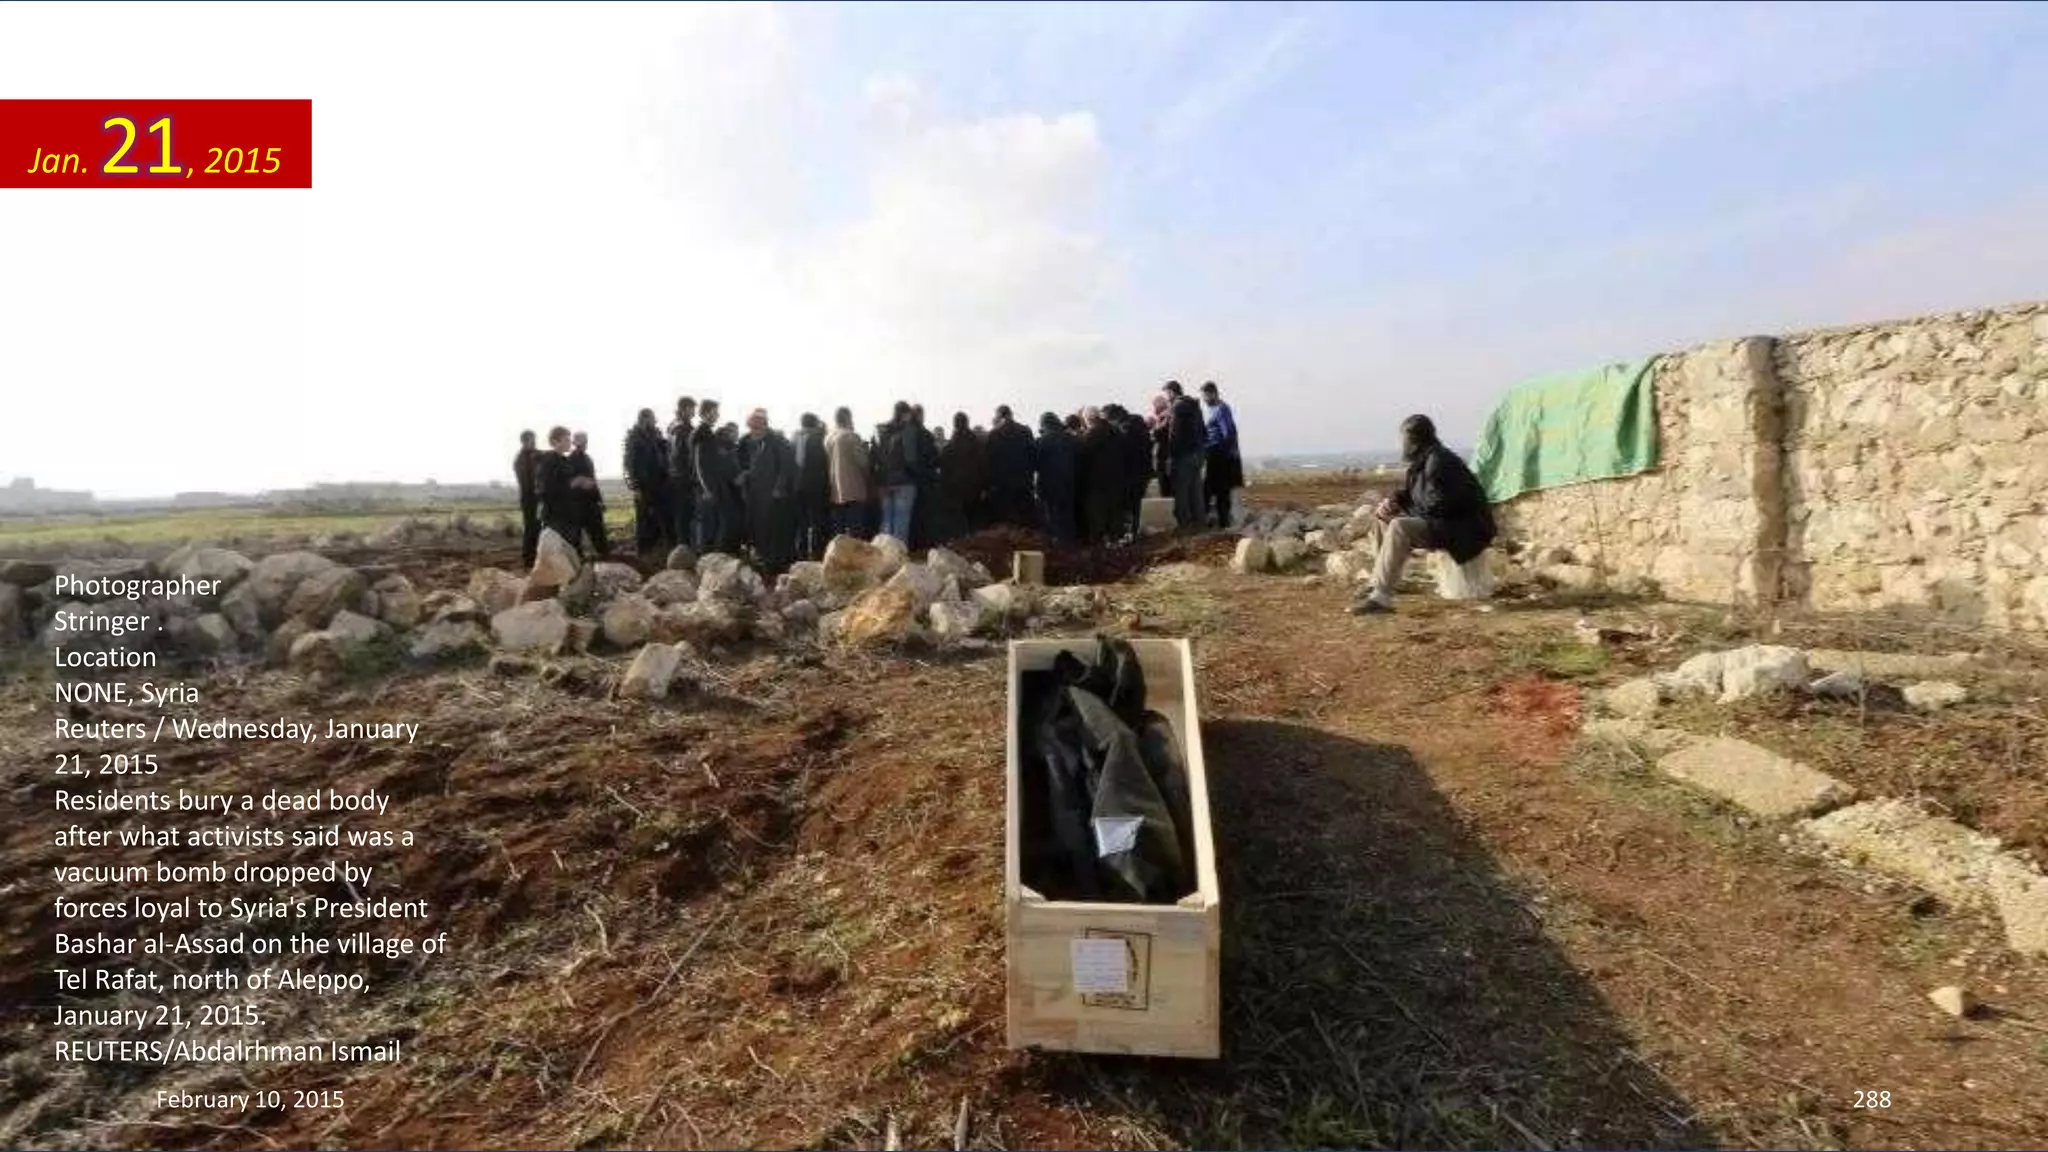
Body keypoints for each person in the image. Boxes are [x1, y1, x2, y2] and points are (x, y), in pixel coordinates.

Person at [1352, 414, 1497, 615]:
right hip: (1447, 523)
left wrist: (1403, 512)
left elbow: (1438, 506)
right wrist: (1394, 502)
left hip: (1464, 530)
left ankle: (1382, 597)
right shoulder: (1425, 459)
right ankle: (1379, 580)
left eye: (1404, 438)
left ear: (1414, 439)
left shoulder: (1440, 462)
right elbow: (1416, 494)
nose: (1402, 444)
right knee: (1382, 520)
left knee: (1399, 526)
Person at [739, 409, 796, 575]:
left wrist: (779, 487)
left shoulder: (777, 441)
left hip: (773, 495)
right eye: (751, 428)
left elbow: (786, 467)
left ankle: (776, 564)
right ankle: (764, 562)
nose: (753, 431)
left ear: (764, 425)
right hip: (756, 494)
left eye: (755, 427)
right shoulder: (750, 442)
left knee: (774, 530)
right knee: (759, 529)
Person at [691, 400, 743, 555]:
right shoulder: (702, 433)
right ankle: (706, 555)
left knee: (716, 522)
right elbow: (699, 463)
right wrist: (707, 489)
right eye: (715, 412)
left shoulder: (708, 432)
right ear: (706, 413)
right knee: (708, 523)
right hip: (709, 487)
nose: (717, 415)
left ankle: (713, 554)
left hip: (714, 486)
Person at [623, 408, 671, 558]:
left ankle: (656, 552)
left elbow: (663, 452)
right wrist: (635, 486)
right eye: (652, 419)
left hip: (657, 483)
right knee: (644, 519)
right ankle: (643, 553)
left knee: (658, 518)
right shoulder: (634, 438)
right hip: (643, 485)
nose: (654, 421)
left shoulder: (653, 435)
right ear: (644, 419)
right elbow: (629, 463)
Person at [1077, 406, 1125, 546]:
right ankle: (1115, 542)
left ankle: (1099, 546)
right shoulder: (1116, 431)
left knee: (1097, 514)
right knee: (1114, 513)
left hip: (1097, 480)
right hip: (1116, 477)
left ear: (1088, 419)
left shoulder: (1093, 433)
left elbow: (1083, 453)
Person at [1162, 381, 1207, 531]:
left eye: (1166, 393)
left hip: (1183, 456)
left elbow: (1174, 434)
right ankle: (1200, 525)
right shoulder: (1195, 406)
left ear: (1171, 392)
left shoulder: (1177, 407)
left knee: (1181, 492)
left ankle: (1185, 527)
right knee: (1196, 492)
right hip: (1198, 454)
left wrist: (1171, 456)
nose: (1166, 397)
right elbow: (1203, 431)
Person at [935, 411, 986, 542]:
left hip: (954, 492)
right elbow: (983, 466)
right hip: (975, 490)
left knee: (957, 529)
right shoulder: (978, 443)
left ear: (954, 425)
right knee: (973, 525)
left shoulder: (949, 447)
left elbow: (942, 469)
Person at [983, 404, 1036, 528]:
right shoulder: (1026, 431)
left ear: (998, 416)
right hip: (1024, 483)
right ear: (1011, 414)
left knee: (1005, 523)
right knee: (1024, 523)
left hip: (1002, 485)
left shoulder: (994, 434)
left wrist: (990, 484)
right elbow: (1033, 456)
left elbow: (989, 462)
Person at [1200, 381, 1244, 529]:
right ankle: (1217, 521)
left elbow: (1228, 434)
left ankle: (1223, 523)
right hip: (1215, 453)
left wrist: (1219, 453)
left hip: (1220, 455)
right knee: (1213, 490)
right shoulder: (1213, 410)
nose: (1204, 400)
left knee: (1219, 490)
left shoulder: (1221, 409)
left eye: (1205, 396)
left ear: (1212, 393)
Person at [877, 402, 923, 541]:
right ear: (905, 414)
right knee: (901, 523)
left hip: (884, 481)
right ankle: (897, 557)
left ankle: (883, 555)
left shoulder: (882, 431)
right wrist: (916, 474)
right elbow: (910, 458)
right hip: (904, 481)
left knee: (886, 522)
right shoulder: (908, 430)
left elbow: (877, 456)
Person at [825, 406, 872, 539]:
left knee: (838, 531)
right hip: (854, 489)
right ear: (848, 418)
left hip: (836, 489)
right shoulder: (851, 436)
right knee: (855, 529)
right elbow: (863, 462)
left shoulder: (829, 438)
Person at [791, 412, 832, 561]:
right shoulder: (818, 438)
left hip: (797, 485)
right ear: (814, 424)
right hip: (815, 485)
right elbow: (824, 463)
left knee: (801, 522)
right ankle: (816, 552)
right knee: (816, 520)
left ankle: (801, 552)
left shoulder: (794, 438)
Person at [535, 426, 584, 547]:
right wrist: (572, 484)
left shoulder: (564, 461)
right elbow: (545, 490)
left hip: (569, 515)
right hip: (556, 518)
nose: (570, 443)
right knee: (558, 553)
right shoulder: (548, 462)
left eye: (569, 439)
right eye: (566, 440)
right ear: (555, 442)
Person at [1034, 412, 1078, 543]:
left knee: (1050, 519)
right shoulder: (1071, 439)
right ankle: (1069, 545)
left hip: (1048, 485)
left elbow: (1035, 464)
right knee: (1067, 517)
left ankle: (1054, 546)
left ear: (1043, 425)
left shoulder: (1042, 441)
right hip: (1069, 483)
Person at [1111, 403, 1152, 540]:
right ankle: (1134, 532)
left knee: (1127, 505)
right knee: (1136, 505)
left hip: (1130, 473)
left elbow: (1124, 452)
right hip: (1144, 471)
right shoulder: (1139, 422)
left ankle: (1129, 534)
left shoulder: (1125, 429)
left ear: (1115, 418)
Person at [567, 431, 609, 558]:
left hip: (591, 502)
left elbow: (593, 481)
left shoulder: (587, 458)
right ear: (575, 442)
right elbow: (570, 483)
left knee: (599, 533)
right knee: (576, 537)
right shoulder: (570, 460)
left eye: (585, 440)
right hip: (578, 503)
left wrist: (600, 500)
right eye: (581, 440)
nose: (584, 443)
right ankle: (578, 561)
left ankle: (605, 556)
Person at [667, 396, 698, 557]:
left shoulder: (672, 426)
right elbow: (682, 455)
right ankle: (684, 553)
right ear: (685, 409)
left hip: (675, 477)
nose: (694, 412)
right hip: (684, 479)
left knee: (681, 516)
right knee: (685, 516)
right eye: (692, 408)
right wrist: (692, 475)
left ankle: (682, 550)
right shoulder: (683, 429)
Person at [908, 404, 939, 548]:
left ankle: (912, 543)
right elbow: (934, 459)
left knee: (911, 515)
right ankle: (923, 543)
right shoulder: (926, 434)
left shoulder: (905, 433)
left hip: (908, 480)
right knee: (925, 515)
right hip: (925, 480)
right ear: (920, 416)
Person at [514, 430, 543, 568]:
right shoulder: (520, 459)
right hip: (529, 499)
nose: (534, 443)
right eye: (532, 440)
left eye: (535, 440)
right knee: (531, 527)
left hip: (537, 498)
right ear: (525, 441)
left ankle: (536, 557)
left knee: (539, 527)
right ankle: (528, 559)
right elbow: (526, 482)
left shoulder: (536, 454)